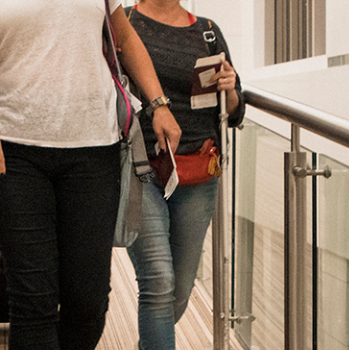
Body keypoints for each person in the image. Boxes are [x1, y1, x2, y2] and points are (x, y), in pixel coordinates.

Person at [0, 0, 181, 347]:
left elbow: (126, 40)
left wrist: (158, 103)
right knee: (33, 300)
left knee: (89, 301)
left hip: (94, 150)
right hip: (12, 148)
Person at [121, 1, 243, 349]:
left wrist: (230, 89)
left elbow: (233, 112)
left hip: (196, 168)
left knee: (180, 287)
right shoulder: (123, 23)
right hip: (138, 166)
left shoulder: (206, 30)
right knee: (158, 280)